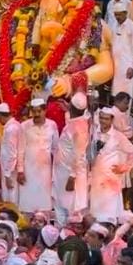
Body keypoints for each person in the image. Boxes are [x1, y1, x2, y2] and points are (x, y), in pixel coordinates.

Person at [88, 108, 133, 223]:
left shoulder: (118, 136)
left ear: (111, 120)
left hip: (111, 179)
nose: (103, 121)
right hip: (96, 177)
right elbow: (89, 155)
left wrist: (124, 168)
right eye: (101, 118)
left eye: (106, 119)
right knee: (96, 209)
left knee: (110, 209)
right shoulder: (94, 133)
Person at [16, 99, 58, 215]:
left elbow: (56, 149)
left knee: (45, 201)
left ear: (45, 110)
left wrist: (56, 170)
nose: (37, 114)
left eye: (39, 111)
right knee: (28, 200)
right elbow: (20, 149)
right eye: (34, 111)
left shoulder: (52, 125)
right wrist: (20, 170)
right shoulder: (24, 126)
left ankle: (44, 222)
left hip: (45, 169)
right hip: (28, 169)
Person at [54, 93, 90, 226]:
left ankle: (70, 234)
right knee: (60, 204)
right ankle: (60, 232)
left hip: (71, 175)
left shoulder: (80, 129)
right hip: (62, 173)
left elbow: (79, 155)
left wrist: (72, 177)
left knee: (72, 209)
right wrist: (68, 109)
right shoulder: (76, 121)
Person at [109, 5, 133, 101]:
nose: (117, 17)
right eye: (116, 15)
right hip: (116, 64)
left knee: (126, 92)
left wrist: (132, 66)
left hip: (127, 65)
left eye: (119, 14)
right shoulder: (114, 25)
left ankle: (125, 111)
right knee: (115, 92)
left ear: (125, 13)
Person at [0, 103, 22, 206]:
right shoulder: (14, 126)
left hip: (10, 171)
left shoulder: (11, 129)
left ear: (0, 116)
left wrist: (7, 175)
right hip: (10, 169)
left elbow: (12, 153)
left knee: (11, 199)